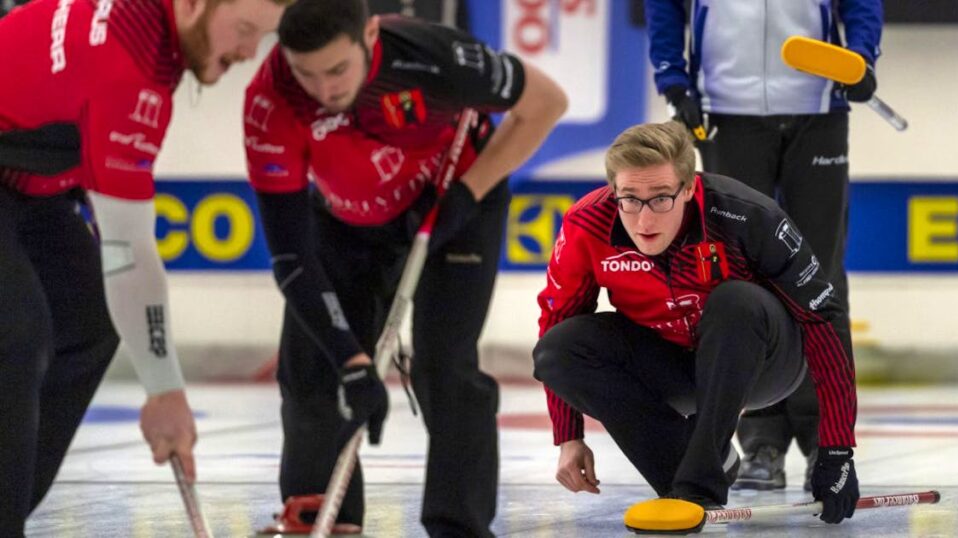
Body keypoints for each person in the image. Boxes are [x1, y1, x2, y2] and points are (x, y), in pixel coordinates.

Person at [241, 0, 567, 535]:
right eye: (307, 73)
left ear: (370, 34)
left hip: (452, 203)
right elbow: (292, 257)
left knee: (445, 367)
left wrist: (467, 193)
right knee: (313, 364)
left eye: (337, 69)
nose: (323, 88)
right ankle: (320, 514)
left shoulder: (434, 57)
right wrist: (351, 360)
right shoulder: (270, 99)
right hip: (345, 217)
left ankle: (458, 525)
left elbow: (547, 103)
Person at [0, 0, 288, 535]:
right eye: (245, 31)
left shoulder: (150, 35)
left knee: (87, 318)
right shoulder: (129, 65)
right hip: (17, 173)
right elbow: (128, 248)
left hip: (24, 181)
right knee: (16, 333)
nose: (250, 53)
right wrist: (165, 391)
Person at [532, 121, 859, 527]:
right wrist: (569, 436)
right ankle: (695, 469)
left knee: (735, 301)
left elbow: (822, 318)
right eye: (629, 199)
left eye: (661, 198)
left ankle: (697, 486)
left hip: (766, 361)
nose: (644, 218)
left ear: (689, 188)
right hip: (672, 363)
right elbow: (558, 317)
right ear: (613, 190)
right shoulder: (587, 225)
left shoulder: (745, 215)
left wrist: (837, 449)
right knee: (557, 350)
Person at [644, 0, 882, 491]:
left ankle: (827, 440)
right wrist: (673, 78)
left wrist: (860, 58)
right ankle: (761, 441)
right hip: (727, 112)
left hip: (818, 108)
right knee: (738, 278)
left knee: (821, 276)